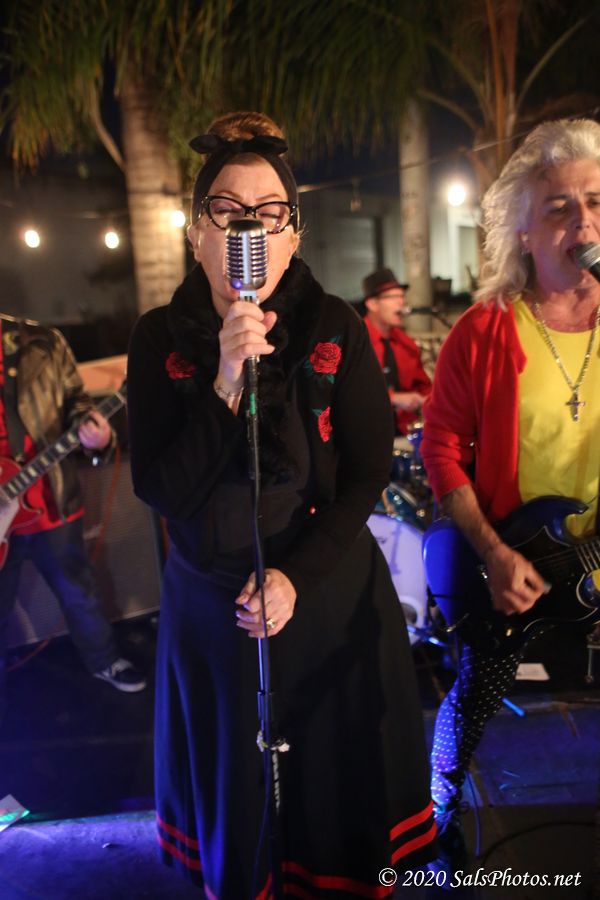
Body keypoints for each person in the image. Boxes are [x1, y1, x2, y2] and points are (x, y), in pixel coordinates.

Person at [127, 111, 436, 898]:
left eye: (270, 214)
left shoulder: (336, 326)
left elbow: (366, 471)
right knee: (240, 793)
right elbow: (160, 489)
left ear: (294, 234)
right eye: (229, 212)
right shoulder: (158, 338)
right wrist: (227, 381)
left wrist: (295, 576)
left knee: (333, 789)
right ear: (197, 233)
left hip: (326, 590)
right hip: (213, 608)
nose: (250, 230)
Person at [420, 117, 600, 878]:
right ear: (524, 233)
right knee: (477, 696)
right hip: (515, 561)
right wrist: (492, 551)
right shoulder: (485, 332)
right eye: (560, 207)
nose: (584, 223)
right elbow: (439, 448)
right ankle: (438, 810)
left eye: (596, 202)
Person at [0, 314, 147, 719]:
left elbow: (76, 402)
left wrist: (96, 436)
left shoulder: (41, 342)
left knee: (78, 591)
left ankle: (104, 660)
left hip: (49, 501)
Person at [362, 268, 431, 435]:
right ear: (372, 304)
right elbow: (352, 392)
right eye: (393, 297)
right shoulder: (356, 341)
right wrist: (393, 398)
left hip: (402, 431)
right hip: (365, 432)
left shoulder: (406, 344)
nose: (401, 303)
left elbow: (424, 387)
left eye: (402, 296)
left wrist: (428, 399)